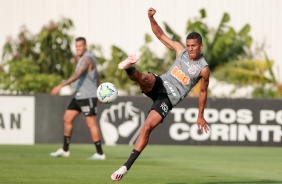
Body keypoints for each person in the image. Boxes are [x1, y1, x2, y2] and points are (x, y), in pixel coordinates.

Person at [111, 7, 210, 181]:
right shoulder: (181, 50)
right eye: (188, 46)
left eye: (193, 46)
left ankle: (125, 167)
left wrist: (200, 115)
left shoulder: (203, 69)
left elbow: (203, 92)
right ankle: (129, 67)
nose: (190, 49)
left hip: (168, 99)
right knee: (145, 79)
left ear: (201, 46)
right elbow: (160, 35)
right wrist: (151, 18)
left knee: (147, 127)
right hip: (162, 82)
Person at [50, 37, 105, 160]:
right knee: (67, 119)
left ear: (85, 46)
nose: (78, 48)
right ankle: (65, 150)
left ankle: (100, 153)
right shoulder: (81, 59)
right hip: (79, 95)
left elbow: (77, 75)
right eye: (76, 46)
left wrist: (60, 86)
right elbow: (96, 75)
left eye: (80, 46)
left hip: (88, 96)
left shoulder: (87, 58)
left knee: (91, 124)